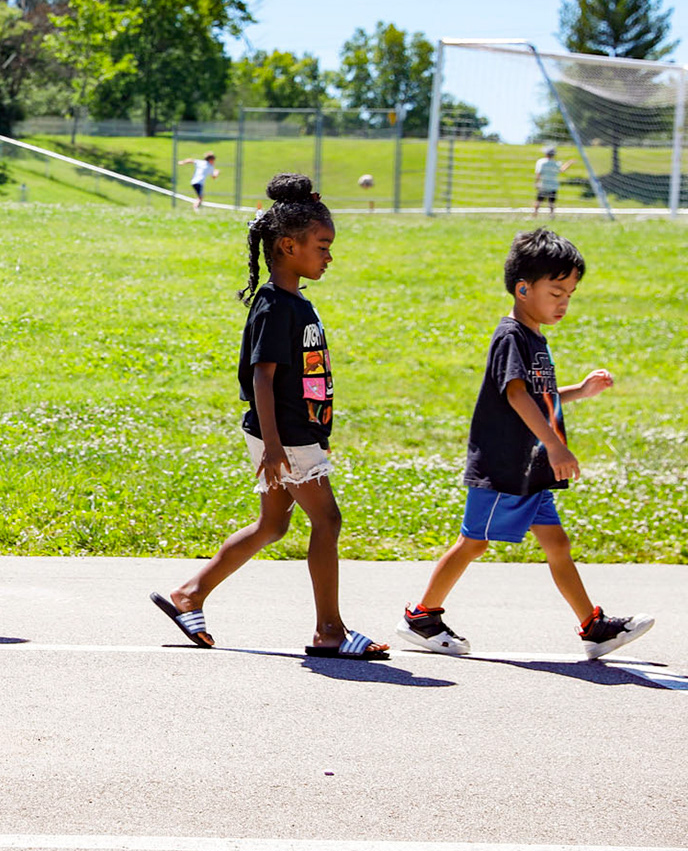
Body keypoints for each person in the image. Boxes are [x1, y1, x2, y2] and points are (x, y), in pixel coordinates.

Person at [150, 174, 388, 659]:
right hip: (285, 435)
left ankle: (189, 595)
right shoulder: (276, 307)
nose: (328, 256)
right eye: (322, 246)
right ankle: (330, 631)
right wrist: (277, 446)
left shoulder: (294, 302)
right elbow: (262, 377)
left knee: (273, 526)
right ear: (287, 244)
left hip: (296, 434)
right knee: (328, 520)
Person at [400, 229, 653, 659]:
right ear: (523, 289)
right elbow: (516, 395)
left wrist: (579, 391)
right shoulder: (512, 336)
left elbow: (538, 395)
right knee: (473, 542)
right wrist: (555, 445)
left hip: (529, 470)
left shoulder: (534, 338)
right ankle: (422, 617)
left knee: (557, 545)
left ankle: (593, 627)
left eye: (569, 294)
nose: (563, 303)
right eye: (556, 292)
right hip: (504, 468)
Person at [532, 145, 570, 216]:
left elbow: (538, 173)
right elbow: (562, 170)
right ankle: (552, 215)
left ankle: (535, 214)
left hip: (543, 184)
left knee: (539, 200)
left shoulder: (541, 162)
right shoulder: (556, 163)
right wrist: (569, 163)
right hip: (553, 185)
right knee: (551, 202)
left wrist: (536, 183)